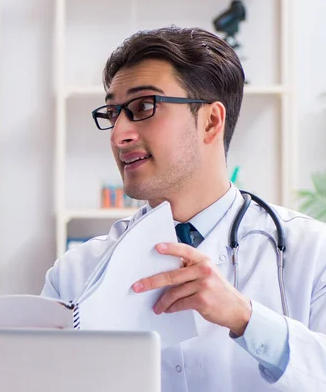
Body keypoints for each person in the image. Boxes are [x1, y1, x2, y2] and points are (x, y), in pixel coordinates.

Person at [42, 27, 326, 391]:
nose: (118, 135)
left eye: (143, 107)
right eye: (113, 113)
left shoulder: (310, 251)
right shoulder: (75, 273)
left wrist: (246, 319)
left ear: (211, 121)